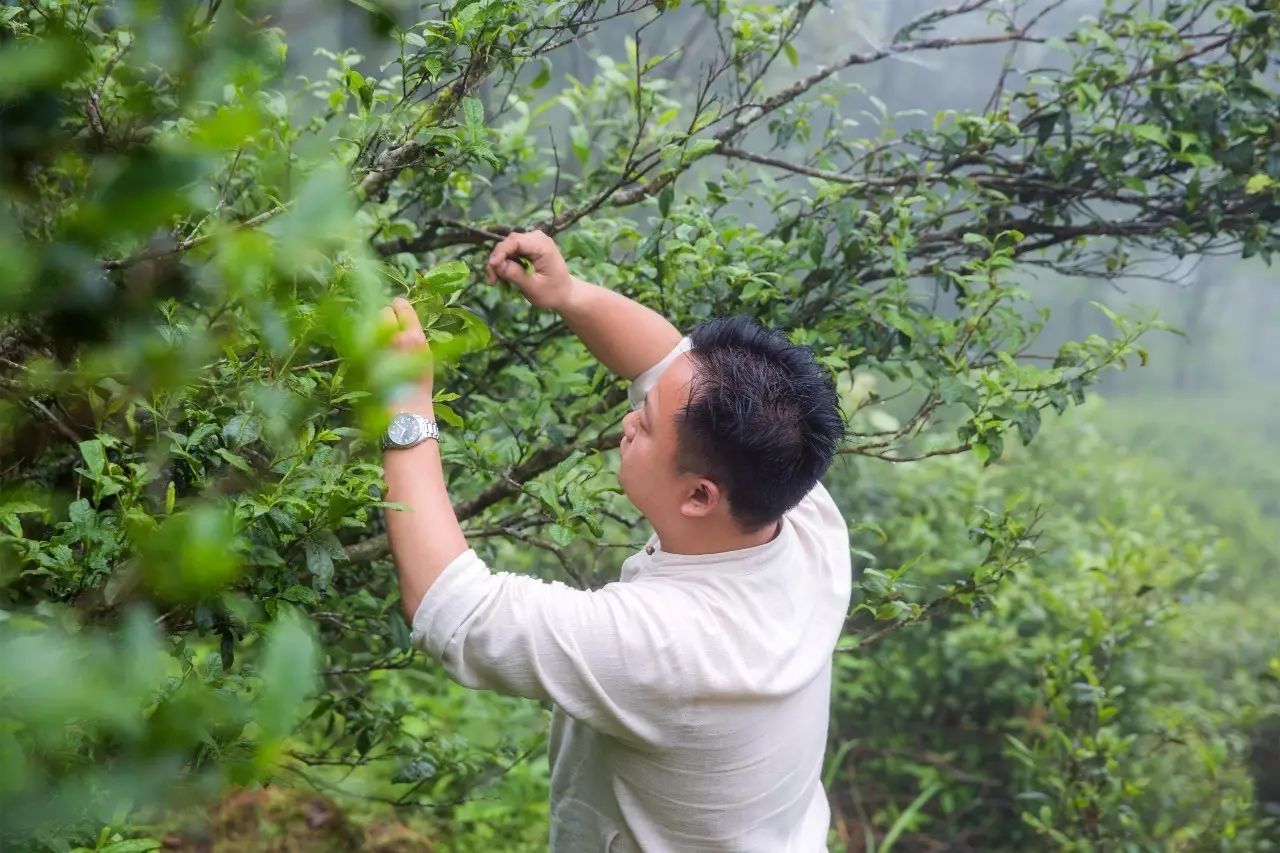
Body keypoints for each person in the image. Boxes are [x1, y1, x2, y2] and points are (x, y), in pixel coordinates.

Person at [378, 230, 851, 852]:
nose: (628, 419)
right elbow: (665, 362)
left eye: (645, 424)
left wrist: (404, 402)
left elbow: (454, 607)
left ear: (700, 496)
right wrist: (570, 294)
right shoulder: (798, 512)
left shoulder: (670, 646)